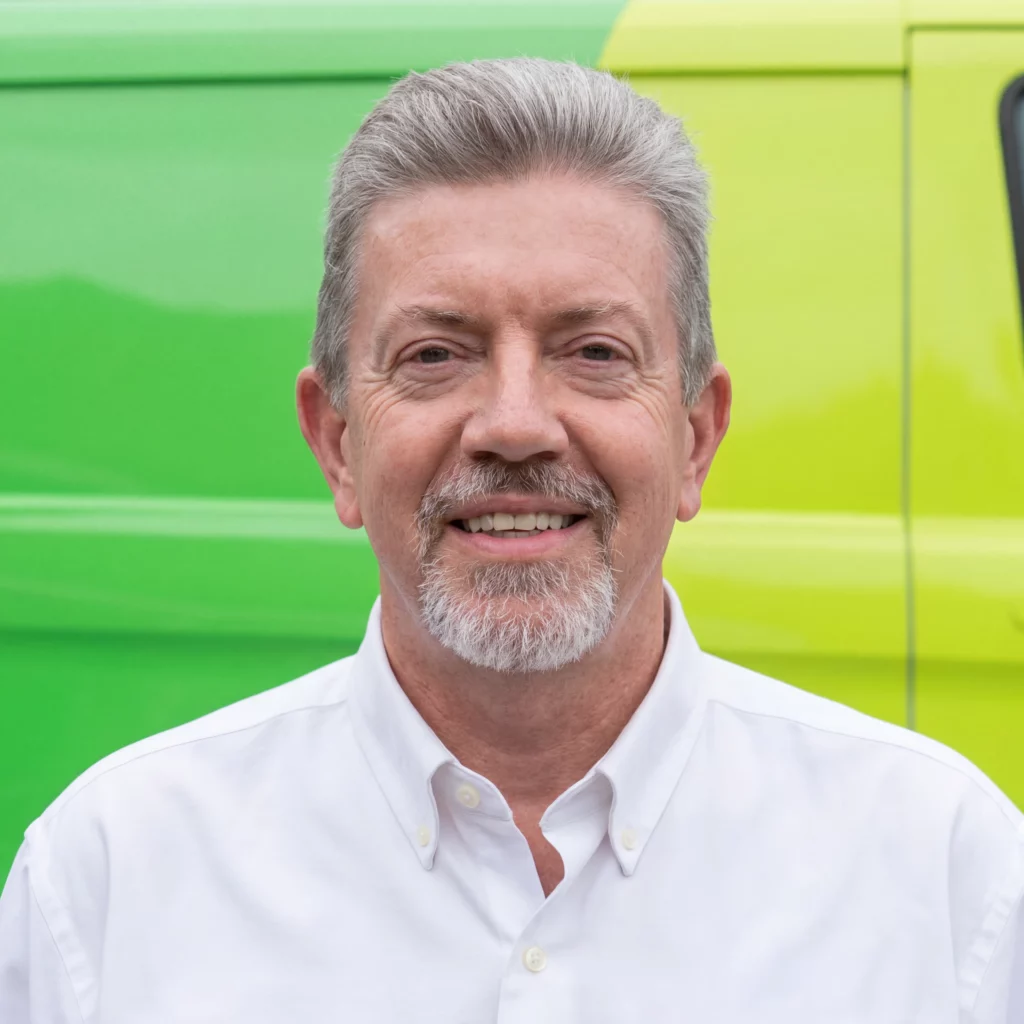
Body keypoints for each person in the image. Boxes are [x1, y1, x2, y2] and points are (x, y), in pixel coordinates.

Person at [1, 57, 1021, 1022]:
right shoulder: (111, 879)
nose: (516, 425)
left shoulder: (944, 876)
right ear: (338, 444)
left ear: (697, 437)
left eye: (595, 352)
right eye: (436, 354)